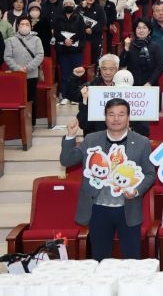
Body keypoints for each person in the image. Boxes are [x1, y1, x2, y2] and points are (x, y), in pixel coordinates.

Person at [60, 98, 156, 261]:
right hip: (98, 208)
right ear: (105, 117)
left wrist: (136, 190)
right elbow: (67, 160)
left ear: (128, 117)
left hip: (128, 208)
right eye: (111, 114)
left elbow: (150, 174)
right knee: (100, 258)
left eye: (121, 114)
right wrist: (70, 136)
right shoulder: (91, 139)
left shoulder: (142, 142)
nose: (116, 119)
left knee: (132, 260)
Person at [3, 15, 44, 126]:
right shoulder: (10, 40)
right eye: (22, 24)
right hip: (16, 76)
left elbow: (40, 55)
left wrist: (28, 67)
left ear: (31, 26)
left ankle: (31, 124)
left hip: (31, 75)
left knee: (32, 99)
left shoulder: (36, 39)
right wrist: (18, 69)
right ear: (18, 26)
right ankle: (18, 124)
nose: (24, 26)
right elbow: (7, 57)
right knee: (17, 99)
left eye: (27, 24)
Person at [54, 0, 85, 104]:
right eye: (66, 3)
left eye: (70, 3)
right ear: (63, 6)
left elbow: (81, 32)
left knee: (77, 73)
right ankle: (65, 95)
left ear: (74, 6)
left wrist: (71, 40)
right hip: (63, 50)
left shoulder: (79, 18)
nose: (68, 5)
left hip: (76, 50)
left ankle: (76, 96)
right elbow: (56, 32)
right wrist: (65, 40)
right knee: (65, 74)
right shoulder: (58, 18)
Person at [120, 18, 163, 86]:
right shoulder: (129, 45)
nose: (141, 30)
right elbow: (122, 63)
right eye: (138, 28)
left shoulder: (155, 46)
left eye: (144, 28)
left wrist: (150, 82)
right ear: (135, 30)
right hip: (132, 84)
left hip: (151, 85)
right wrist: (126, 48)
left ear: (149, 31)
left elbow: (159, 66)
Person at [78, 0, 107, 67]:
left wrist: (92, 29)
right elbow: (75, 19)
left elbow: (103, 21)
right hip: (82, 37)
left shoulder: (98, 7)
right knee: (84, 60)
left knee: (96, 60)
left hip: (96, 37)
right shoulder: (80, 7)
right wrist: (81, 7)